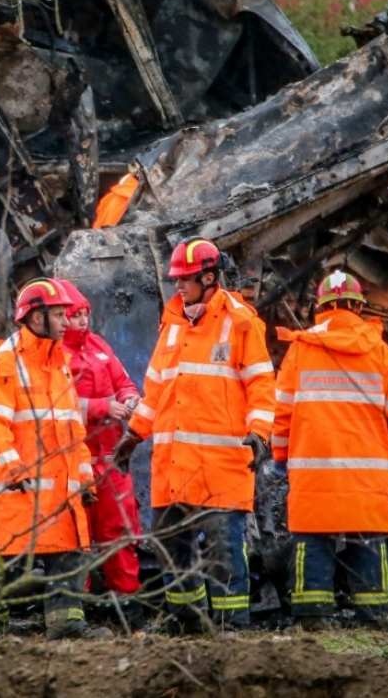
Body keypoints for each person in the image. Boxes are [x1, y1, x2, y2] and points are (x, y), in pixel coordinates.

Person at [113, 238, 275, 633]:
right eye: (176, 280)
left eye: (186, 280)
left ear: (209, 276)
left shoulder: (239, 322)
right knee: (173, 551)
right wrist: (134, 433)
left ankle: (231, 623)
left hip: (220, 468)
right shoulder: (171, 325)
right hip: (173, 469)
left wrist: (260, 433)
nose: (178, 287)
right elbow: (156, 391)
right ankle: (187, 620)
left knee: (224, 554)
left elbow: (261, 385)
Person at [271, 270, 388, 628]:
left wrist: (279, 459)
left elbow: (282, 414)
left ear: (319, 307)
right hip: (368, 476)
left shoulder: (300, 350)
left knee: (313, 540)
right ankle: (375, 618)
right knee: (367, 540)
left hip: (313, 473)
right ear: (359, 307)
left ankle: (312, 619)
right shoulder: (380, 353)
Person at [0, 278, 101, 640]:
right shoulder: (6, 363)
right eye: (59, 315)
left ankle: (67, 626)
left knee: (68, 556)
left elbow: (72, 427)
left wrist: (85, 476)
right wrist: (13, 468)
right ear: (35, 317)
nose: (66, 322)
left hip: (60, 488)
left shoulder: (58, 363)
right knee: (7, 561)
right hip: (20, 489)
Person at [55, 278, 144, 621]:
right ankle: (79, 613)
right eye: (75, 315)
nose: (81, 322)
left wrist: (129, 399)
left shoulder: (99, 346)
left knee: (121, 536)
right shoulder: (54, 356)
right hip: (75, 466)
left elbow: (123, 382)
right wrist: (101, 407)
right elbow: (55, 406)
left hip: (110, 464)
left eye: (85, 315)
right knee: (77, 541)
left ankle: (130, 611)